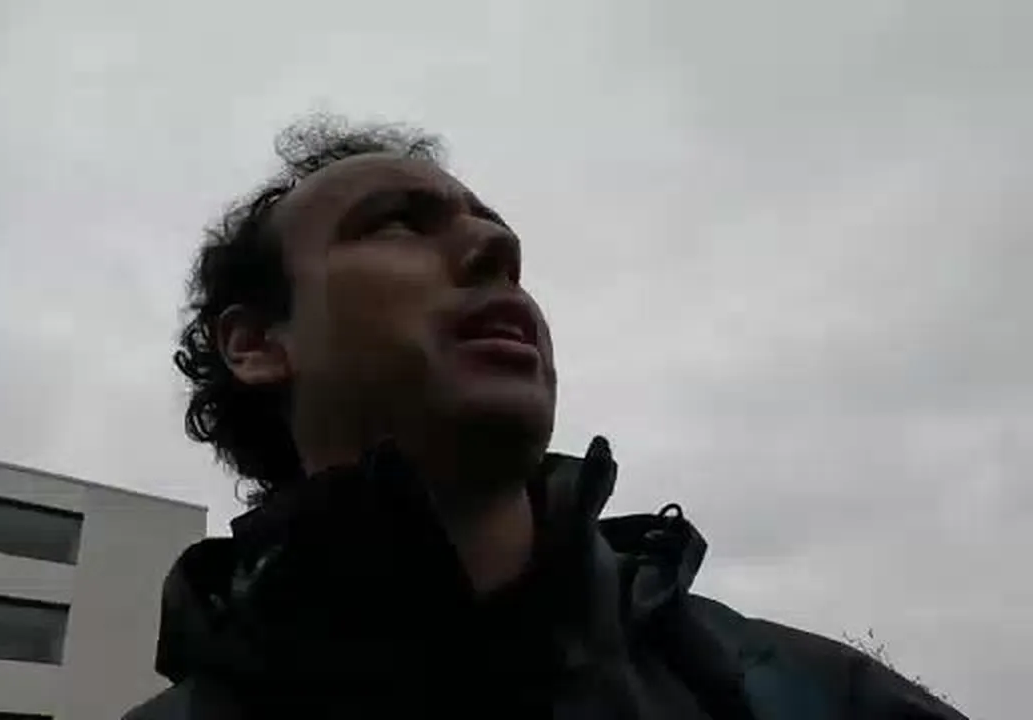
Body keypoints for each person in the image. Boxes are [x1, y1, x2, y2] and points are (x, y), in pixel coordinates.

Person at [124, 117, 968, 719]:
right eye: (397, 224)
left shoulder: (815, 696)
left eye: (494, 230)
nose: (500, 250)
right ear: (256, 344)